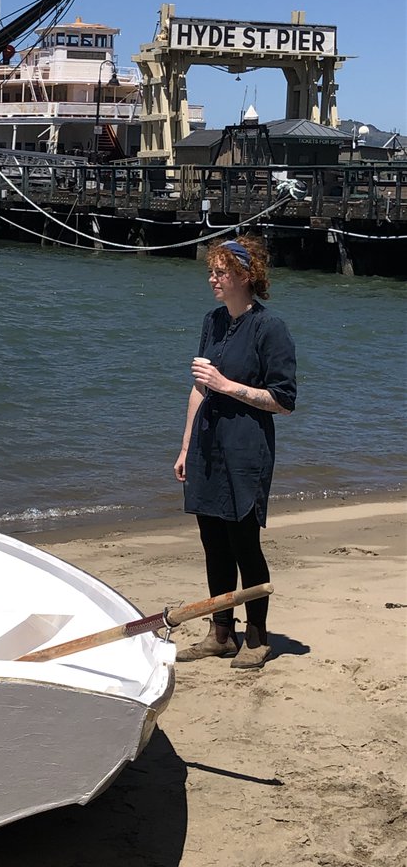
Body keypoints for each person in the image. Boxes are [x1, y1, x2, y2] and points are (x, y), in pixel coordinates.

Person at [173, 236, 296, 670]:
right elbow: (199, 388)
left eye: (221, 272)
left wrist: (227, 386)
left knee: (244, 541)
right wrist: (185, 445)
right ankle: (221, 633)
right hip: (207, 446)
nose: (213, 279)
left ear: (246, 276)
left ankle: (257, 636)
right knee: (213, 542)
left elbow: (283, 401)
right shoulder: (212, 321)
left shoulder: (270, 327)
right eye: (211, 271)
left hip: (246, 448)